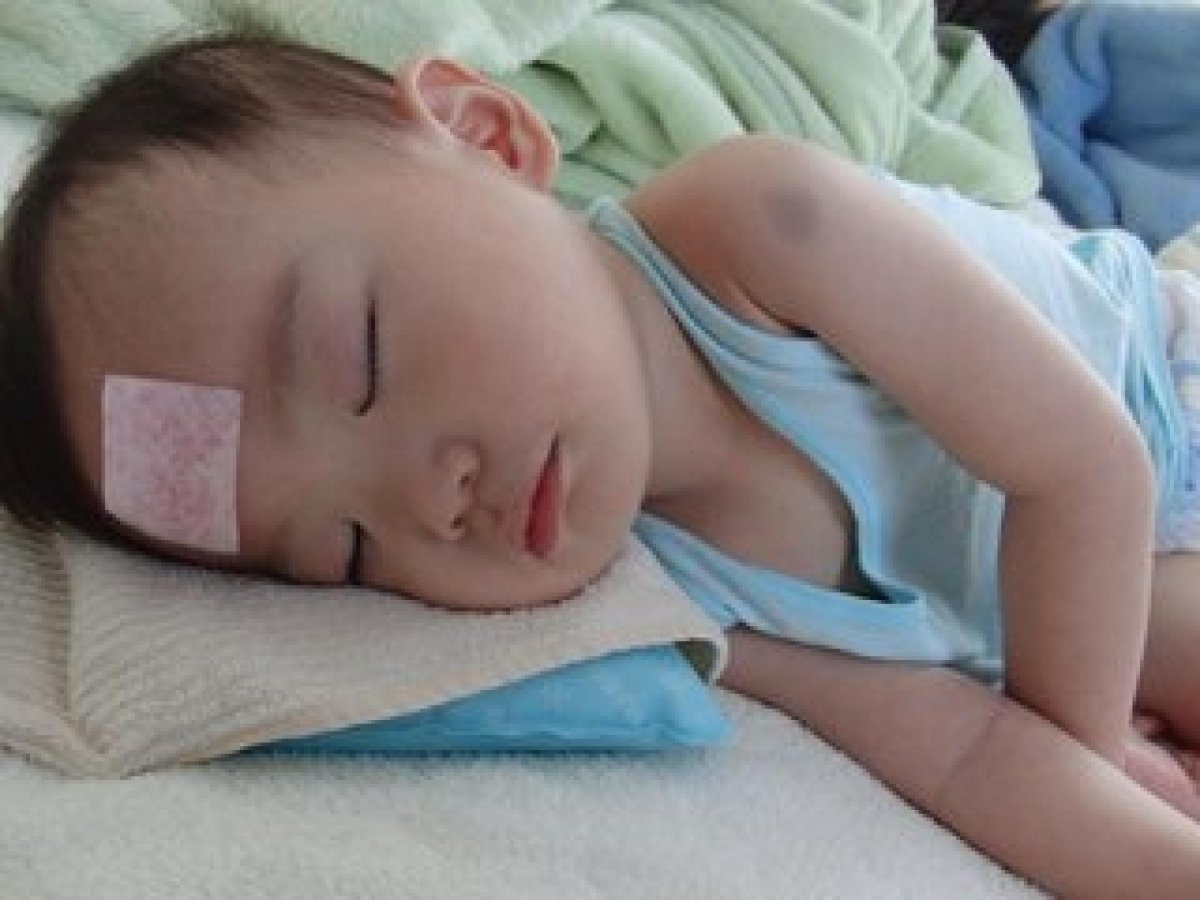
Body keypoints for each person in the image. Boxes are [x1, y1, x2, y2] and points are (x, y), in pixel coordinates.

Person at [3, 34, 1200, 895]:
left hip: (1154, 397)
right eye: (345, 549)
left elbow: (1084, 468)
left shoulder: (757, 226)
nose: (428, 499)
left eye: (363, 358)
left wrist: (1087, 741)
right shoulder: (655, 594)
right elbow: (965, 752)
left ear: (486, 139)